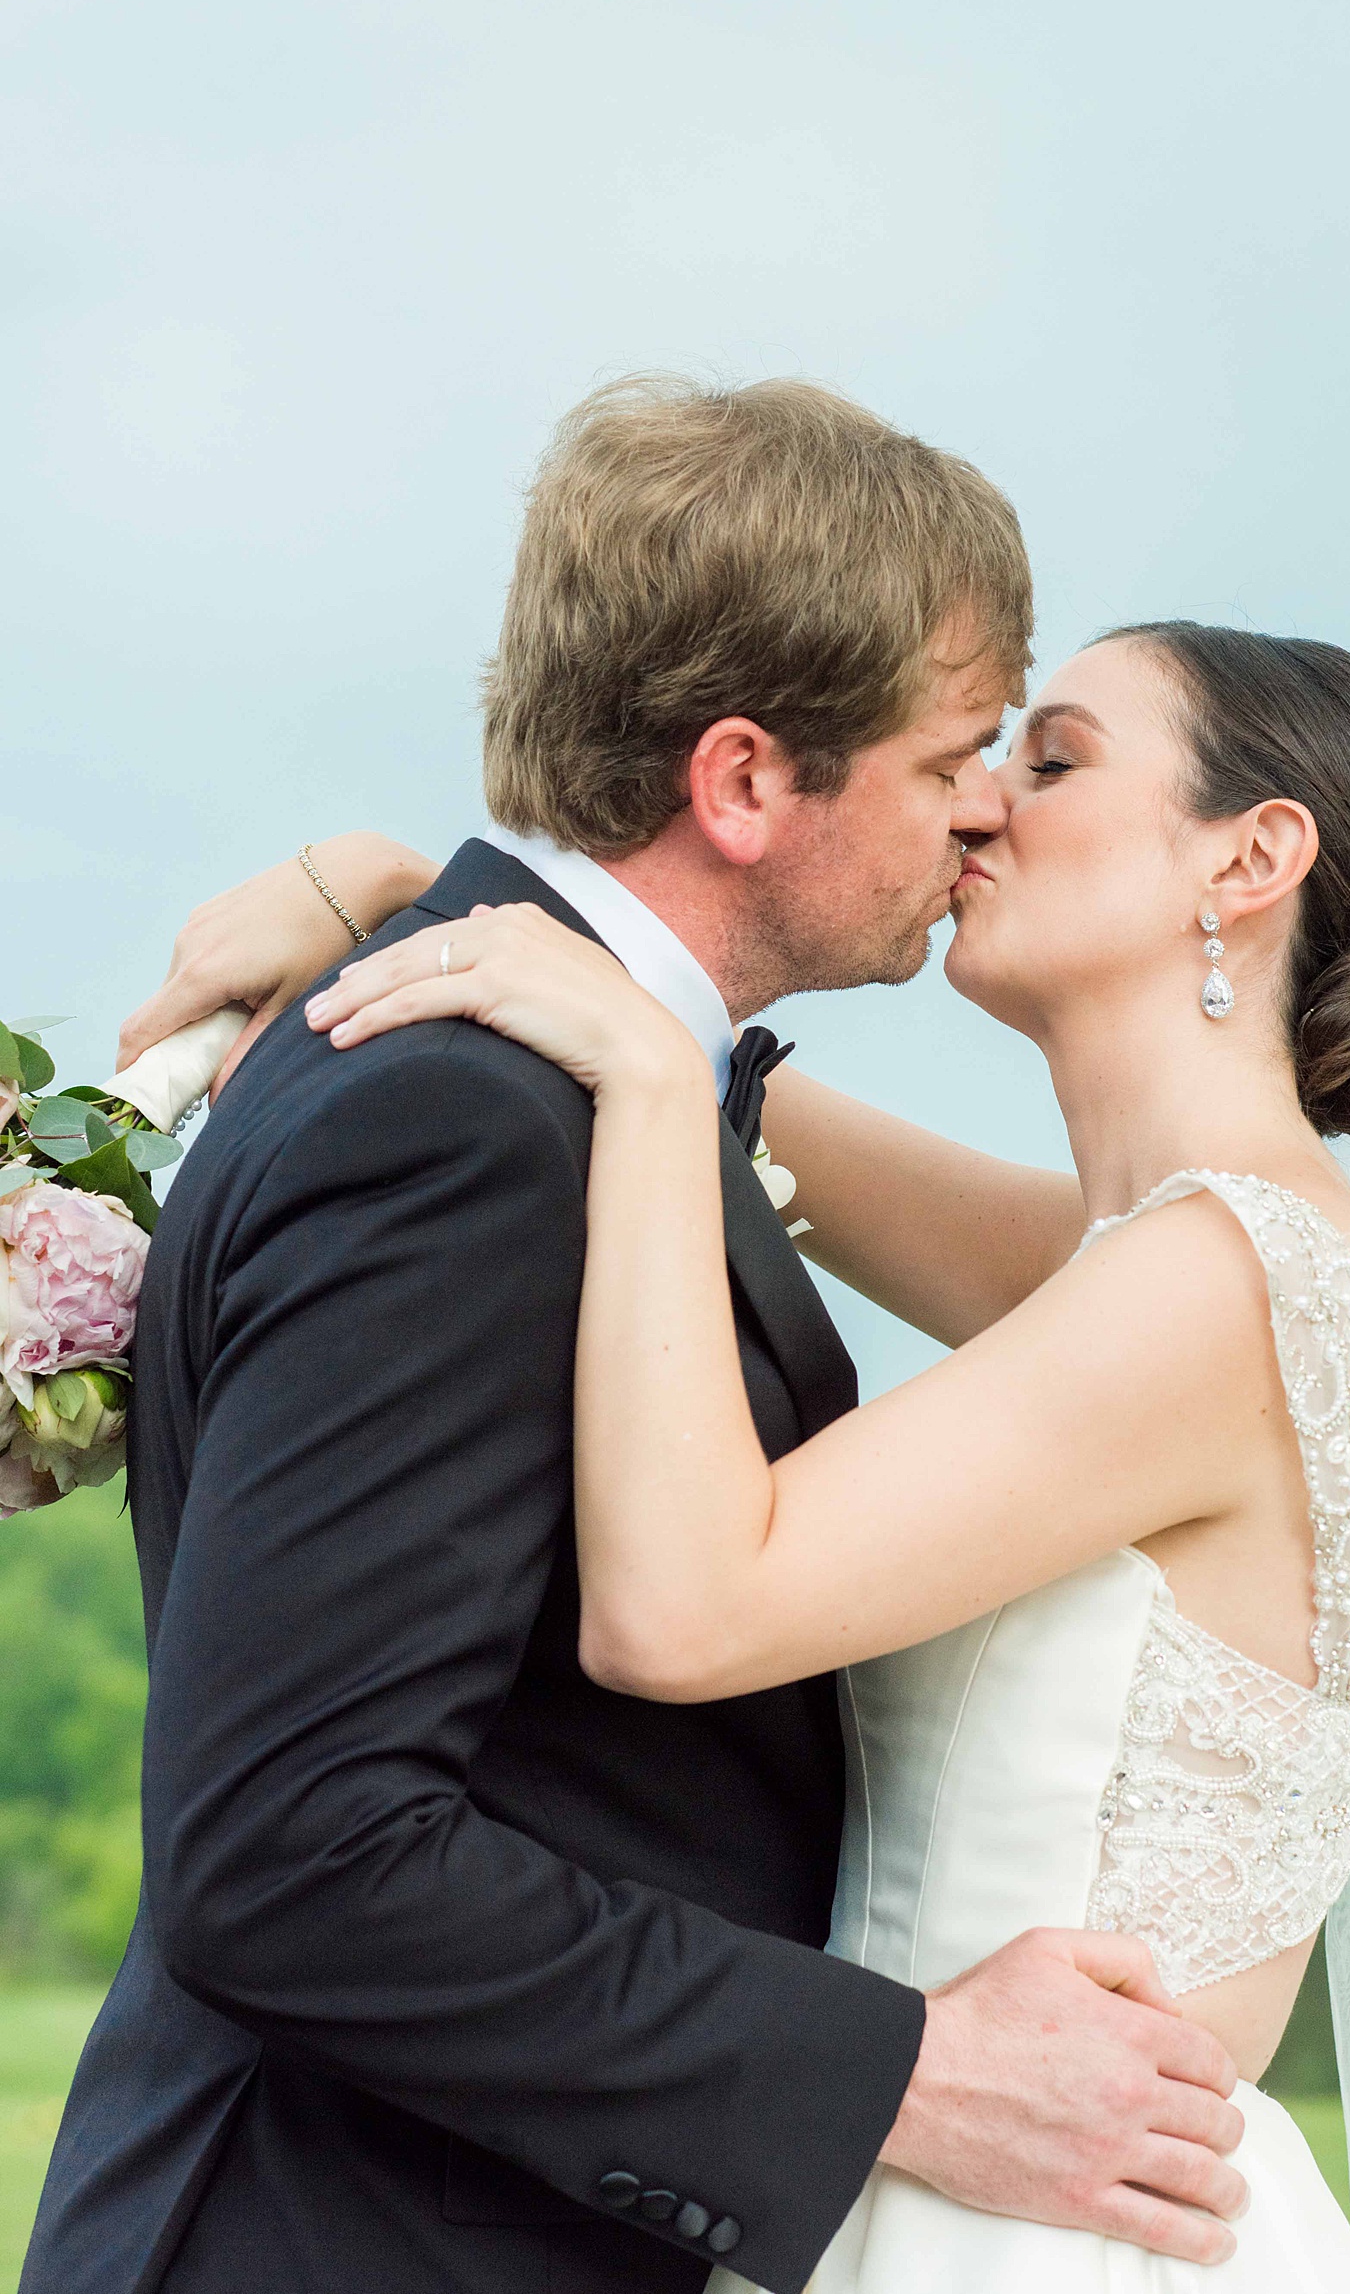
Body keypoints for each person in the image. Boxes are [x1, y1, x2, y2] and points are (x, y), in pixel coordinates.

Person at [143, 615, 1350, 2289]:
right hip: (932, 2185)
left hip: (1050, 2227)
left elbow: (681, 1607)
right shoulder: (1154, 1266)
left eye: (1053, 760)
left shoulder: (1221, 1293)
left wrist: (653, 1094)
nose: (982, 811)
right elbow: (698, 1040)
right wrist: (409, 887)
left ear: (1252, 857)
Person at [22, 380, 1250, 2294]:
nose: (981, 807)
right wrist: (909, 2078)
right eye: (949, 759)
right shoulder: (466, 1128)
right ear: (748, 782)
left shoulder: (589, 1084)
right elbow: (289, 1848)